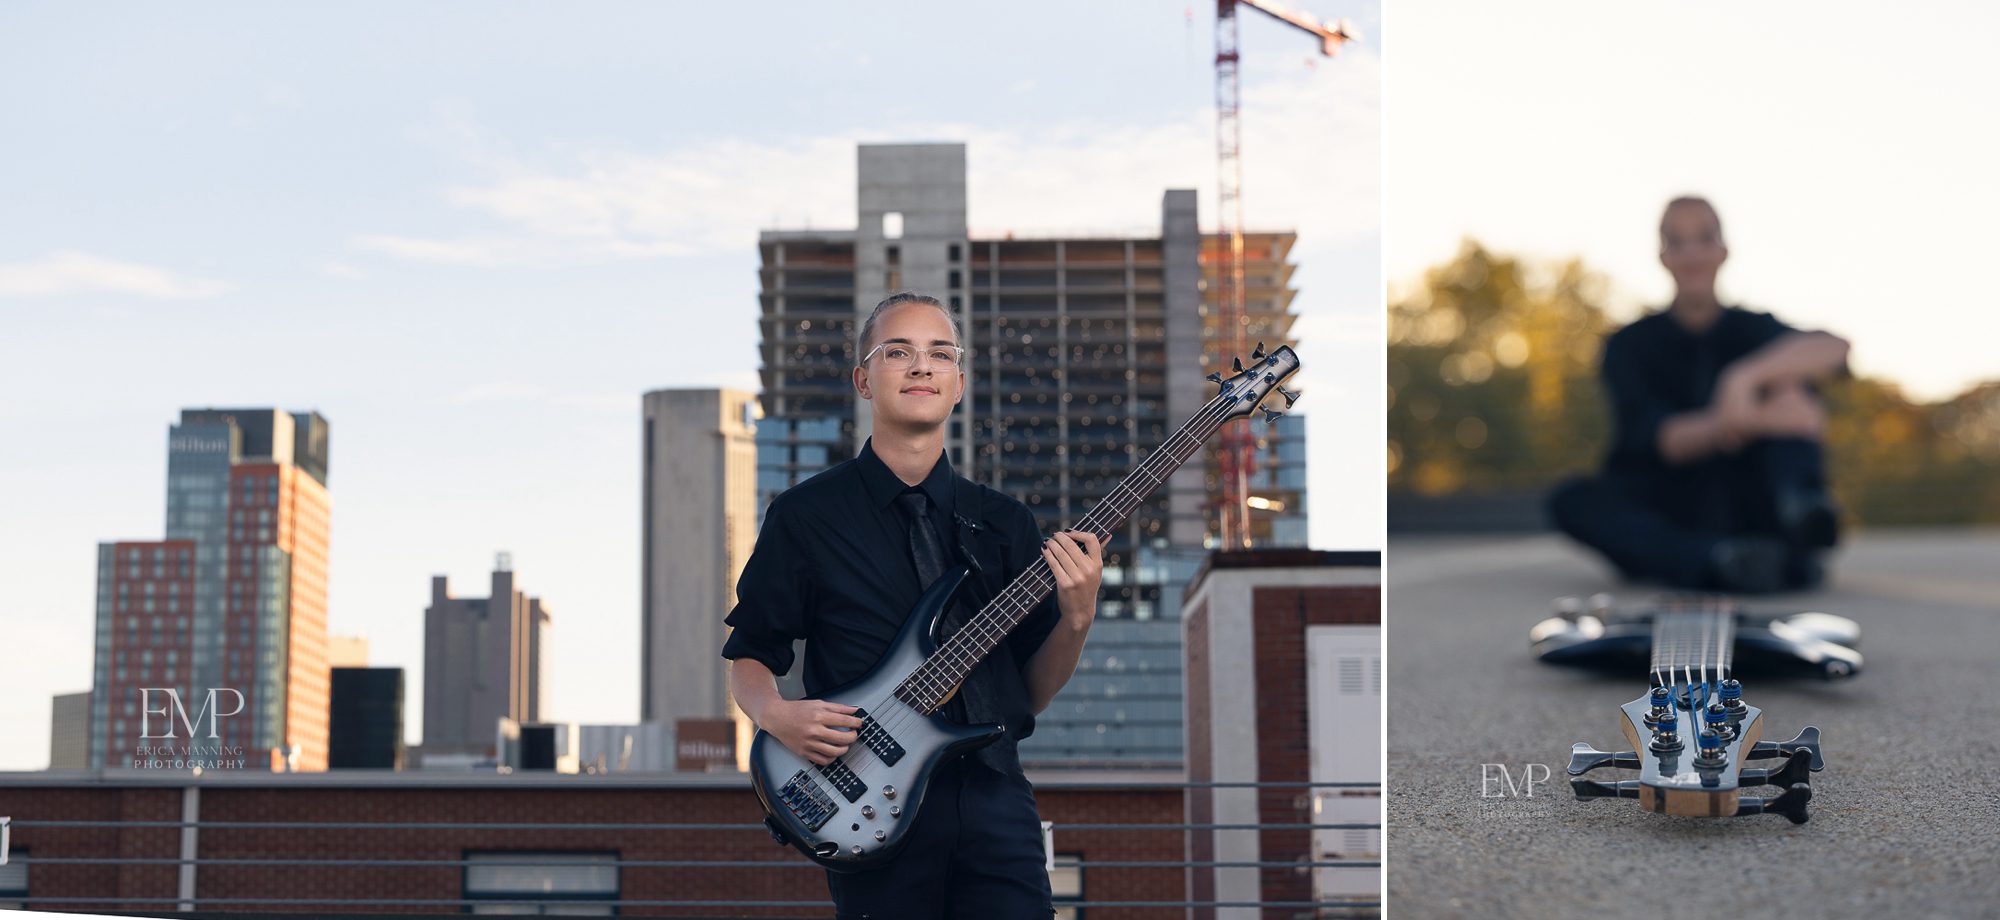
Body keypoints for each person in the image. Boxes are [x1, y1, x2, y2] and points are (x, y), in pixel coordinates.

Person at [721, 292, 1102, 919]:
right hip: (868, 797)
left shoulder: (1004, 523)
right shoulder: (806, 516)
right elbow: (751, 653)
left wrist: (1078, 617)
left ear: (958, 384)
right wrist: (776, 717)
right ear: (864, 380)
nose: (921, 366)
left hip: (995, 796)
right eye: (898, 351)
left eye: (939, 354)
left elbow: (1028, 694)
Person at [1549, 196, 1850, 593]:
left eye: (1703, 239)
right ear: (1664, 256)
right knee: (1572, 500)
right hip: (1668, 506)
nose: (1692, 254)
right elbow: (1665, 440)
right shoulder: (1629, 345)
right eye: (1678, 242)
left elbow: (1835, 349)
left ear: (1722, 250)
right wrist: (1749, 419)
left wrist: (1741, 379)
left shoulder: (1755, 330)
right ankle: (1722, 559)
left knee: (1788, 380)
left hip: (1751, 497)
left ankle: (1799, 515)